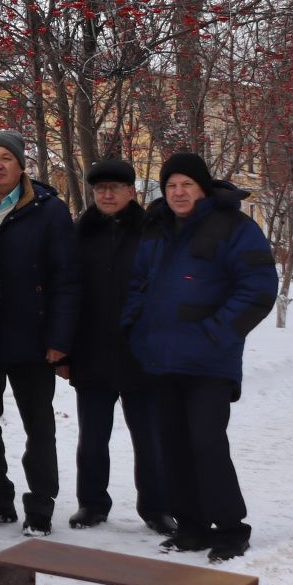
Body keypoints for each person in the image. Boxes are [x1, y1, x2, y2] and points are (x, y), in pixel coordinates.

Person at [125, 153, 277, 562]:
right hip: (160, 357)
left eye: (186, 185)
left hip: (209, 361)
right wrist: (133, 326)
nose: (178, 192)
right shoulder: (157, 227)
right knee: (171, 445)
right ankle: (191, 527)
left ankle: (230, 528)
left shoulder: (234, 227)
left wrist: (215, 333)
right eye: (171, 185)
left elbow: (259, 289)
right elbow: (139, 281)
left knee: (207, 443)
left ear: (202, 188)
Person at [0, 131, 77, 536]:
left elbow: (67, 280)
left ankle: (41, 504)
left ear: (21, 165)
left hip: (32, 338)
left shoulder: (48, 210)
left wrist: (60, 341)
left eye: (5, 158)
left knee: (38, 426)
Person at [69, 158, 168, 534]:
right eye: (100, 189)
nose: (107, 195)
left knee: (149, 438)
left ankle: (157, 508)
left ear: (131, 192)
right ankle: (91, 503)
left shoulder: (152, 232)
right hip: (92, 352)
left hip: (141, 354)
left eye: (115, 188)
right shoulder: (80, 233)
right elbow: (69, 293)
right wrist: (65, 350)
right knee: (92, 438)